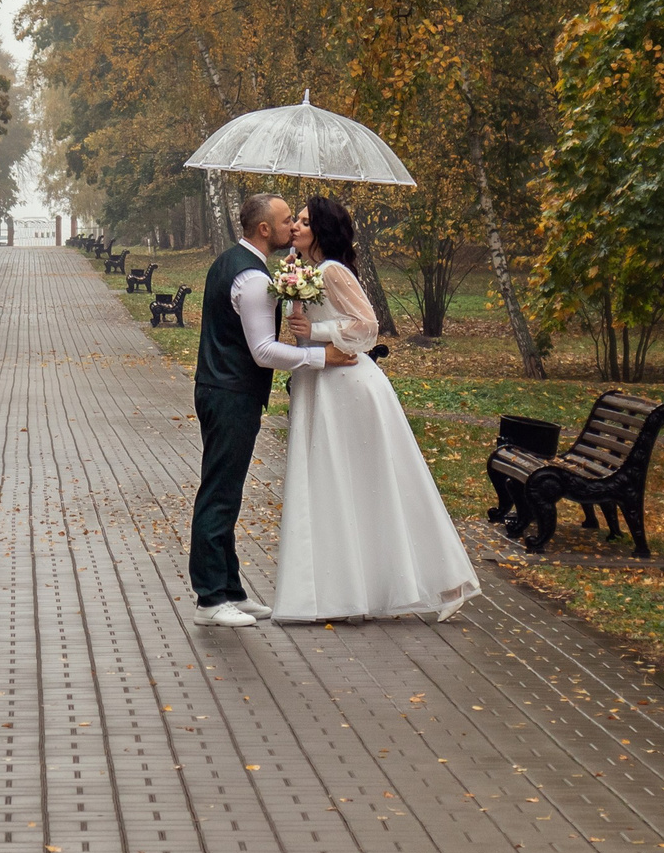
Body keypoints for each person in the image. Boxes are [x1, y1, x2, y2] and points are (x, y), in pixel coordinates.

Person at [270, 197, 479, 624]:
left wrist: (316, 330)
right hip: (320, 382)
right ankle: (348, 590)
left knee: (371, 481)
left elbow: (367, 327)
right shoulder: (305, 270)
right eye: (296, 222)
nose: (295, 228)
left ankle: (441, 578)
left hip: (348, 388)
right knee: (339, 485)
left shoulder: (331, 271)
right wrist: (297, 312)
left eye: (304, 223)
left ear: (322, 232)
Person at [188, 192, 358, 627]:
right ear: (265, 230)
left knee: (226, 489)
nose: (293, 227)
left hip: (219, 387)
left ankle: (230, 589)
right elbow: (263, 351)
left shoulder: (231, 263)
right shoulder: (251, 279)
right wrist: (323, 358)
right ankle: (210, 599)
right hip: (231, 393)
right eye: (287, 221)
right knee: (220, 493)